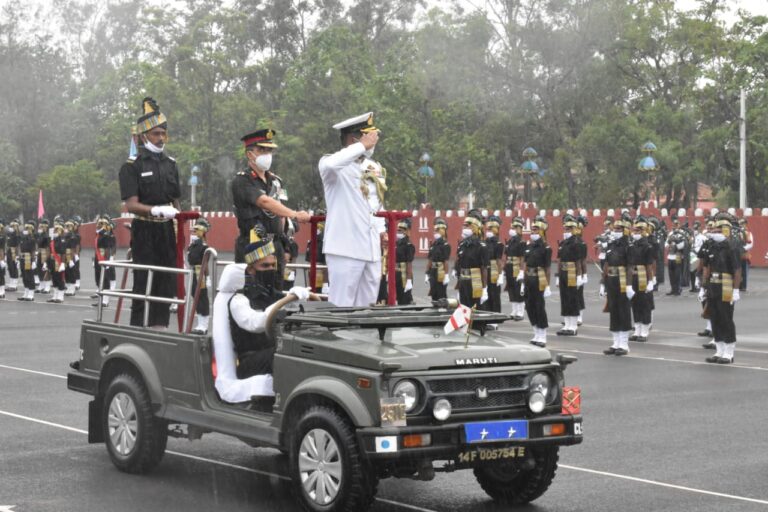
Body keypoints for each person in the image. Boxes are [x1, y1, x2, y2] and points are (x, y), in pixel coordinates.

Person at [218, 236, 311, 409]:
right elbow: (255, 323)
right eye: (264, 266)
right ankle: (292, 405)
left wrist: (298, 299)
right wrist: (285, 301)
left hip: (271, 353)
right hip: (249, 361)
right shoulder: (239, 299)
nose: (270, 270)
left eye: (272, 265)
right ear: (251, 269)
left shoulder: (272, 294)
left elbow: (290, 310)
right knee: (283, 352)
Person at [118, 97, 181, 328]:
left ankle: (160, 329)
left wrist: (182, 223)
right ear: (144, 135)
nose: (161, 138)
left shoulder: (170, 164)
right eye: (156, 134)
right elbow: (131, 205)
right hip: (145, 228)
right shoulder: (132, 166)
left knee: (165, 282)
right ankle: (138, 329)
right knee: (143, 282)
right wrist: (155, 209)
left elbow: (175, 200)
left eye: (164, 133)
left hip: (166, 230)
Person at [318, 112, 386, 307]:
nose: (373, 142)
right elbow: (332, 164)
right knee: (341, 307)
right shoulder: (331, 163)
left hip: (371, 248)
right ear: (352, 138)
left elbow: (376, 201)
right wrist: (361, 146)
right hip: (345, 248)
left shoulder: (372, 167)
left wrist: (382, 231)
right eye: (368, 136)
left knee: (367, 307)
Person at [231, 128, 310, 287]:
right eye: (261, 150)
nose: (267, 154)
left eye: (269, 150)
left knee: (277, 292)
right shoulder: (242, 181)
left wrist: (286, 243)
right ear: (249, 154)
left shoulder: (276, 181)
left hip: (276, 245)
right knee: (253, 292)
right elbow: (265, 202)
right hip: (253, 244)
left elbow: (280, 209)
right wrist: (294, 214)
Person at [703, 213, 742, 364]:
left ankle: (729, 352)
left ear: (727, 231)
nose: (715, 233)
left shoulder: (732, 247)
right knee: (715, 318)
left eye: (719, 231)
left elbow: (737, 271)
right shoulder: (712, 246)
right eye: (715, 231)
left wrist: (736, 290)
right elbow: (707, 268)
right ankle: (719, 350)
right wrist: (704, 287)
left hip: (726, 285)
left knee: (726, 319)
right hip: (713, 285)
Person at [601, 213, 634, 356]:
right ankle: (615, 342)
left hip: (622, 279)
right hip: (611, 279)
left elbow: (630, 267)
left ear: (626, 230)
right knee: (613, 309)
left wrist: (628, 285)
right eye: (615, 228)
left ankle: (624, 344)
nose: (616, 231)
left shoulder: (629, 246)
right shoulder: (611, 244)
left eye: (619, 229)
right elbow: (606, 264)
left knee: (623, 310)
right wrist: (603, 283)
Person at [522, 216, 552, 346]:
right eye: (532, 230)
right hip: (529, 278)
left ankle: (542, 335)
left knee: (539, 306)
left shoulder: (546, 248)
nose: (533, 232)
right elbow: (526, 264)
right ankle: (535, 332)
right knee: (529, 306)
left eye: (535, 230)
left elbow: (547, 268)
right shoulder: (529, 246)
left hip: (539, 278)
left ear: (542, 231)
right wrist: (523, 282)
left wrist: (547, 286)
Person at [627, 216, 655, 342]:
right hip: (633, 275)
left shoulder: (647, 247)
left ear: (644, 232)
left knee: (644, 303)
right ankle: (637, 328)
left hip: (643, 275)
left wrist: (650, 281)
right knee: (635, 303)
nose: (635, 233)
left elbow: (649, 265)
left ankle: (644, 330)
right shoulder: (632, 246)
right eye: (635, 231)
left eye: (638, 231)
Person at [454, 210, 488, 308]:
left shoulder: (481, 246)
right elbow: (459, 263)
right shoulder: (462, 244)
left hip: (475, 281)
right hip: (463, 280)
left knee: (475, 309)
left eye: (467, 226)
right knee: (463, 309)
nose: (464, 228)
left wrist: (484, 288)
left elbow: (484, 268)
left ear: (474, 228)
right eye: (464, 226)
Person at [556, 214, 582, 336]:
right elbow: (559, 260)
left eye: (568, 229)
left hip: (572, 271)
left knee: (572, 298)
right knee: (564, 298)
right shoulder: (562, 243)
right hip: (563, 272)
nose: (566, 231)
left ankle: (573, 325)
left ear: (573, 229)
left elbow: (578, 261)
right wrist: (557, 275)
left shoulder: (576, 243)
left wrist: (579, 276)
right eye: (565, 229)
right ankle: (566, 325)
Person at [188, 218, 211, 334]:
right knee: (195, 296)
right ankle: (200, 324)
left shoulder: (204, 246)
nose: (194, 231)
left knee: (202, 298)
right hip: (194, 272)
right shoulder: (195, 243)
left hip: (200, 273)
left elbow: (205, 263)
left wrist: (207, 278)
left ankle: (204, 326)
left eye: (197, 229)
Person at [503, 217, 526, 321]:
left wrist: (521, 271)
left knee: (518, 289)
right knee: (511, 288)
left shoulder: (521, 242)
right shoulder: (509, 241)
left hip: (517, 267)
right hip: (509, 266)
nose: (512, 229)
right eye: (512, 227)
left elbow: (522, 258)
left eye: (514, 227)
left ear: (519, 229)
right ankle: (514, 310)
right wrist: (504, 269)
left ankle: (520, 312)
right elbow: (506, 255)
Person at [91, 215, 117, 307]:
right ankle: (101, 300)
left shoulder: (105, 234)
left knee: (105, 279)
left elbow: (108, 248)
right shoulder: (98, 233)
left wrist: (109, 258)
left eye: (100, 223)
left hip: (103, 258)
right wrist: (94, 259)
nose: (97, 225)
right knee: (98, 279)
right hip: (98, 258)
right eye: (98, 223)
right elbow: (96, 248)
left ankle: (105, 301)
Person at [483, 215, 504, 315]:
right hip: (485, 269)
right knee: (486, 293)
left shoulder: (498, 244)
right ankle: (487, 316)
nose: (488, 231)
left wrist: (500, 275)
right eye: (487, 229)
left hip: (494, 269)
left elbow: (499, 261)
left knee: (494, 294)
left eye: (490, 229)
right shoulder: (484, 242)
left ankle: (495, 318)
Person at [426, 217, 451, 300]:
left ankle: (443, 311)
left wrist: (446, 275)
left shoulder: (445, 245)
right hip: (433, 271)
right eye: (434, 231)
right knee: (434, 293)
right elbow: (430, 259)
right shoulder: (433, 244)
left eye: (436, 231)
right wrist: (427, 273)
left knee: (441, 294)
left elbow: (446, 261)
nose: (434, 233)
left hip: (441, 271)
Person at [47, 217, 69, 304]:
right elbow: (50, 250)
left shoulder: (63, 240)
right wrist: (47, 263)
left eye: (58, 229)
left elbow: (63, 253)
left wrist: (63, 263)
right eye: (55, 229)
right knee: (54, 278)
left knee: (60, 278)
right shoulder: (53, 240)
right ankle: (55, 296)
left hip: (59, 260)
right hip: (52, 260)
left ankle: (60, 296)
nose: (56, 231)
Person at [305, 213, 328, 293]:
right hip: (312, 272)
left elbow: (326, 263)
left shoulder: (324, 242)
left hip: (321, 274)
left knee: (320, 296)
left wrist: (325, 283)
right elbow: (308, 259)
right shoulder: (311, 241)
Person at [394, 218, 415, 305]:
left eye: (400, 230)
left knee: (404, 299)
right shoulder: (396, 243)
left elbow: (409, 263)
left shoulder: (408, 245)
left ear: (406, 231)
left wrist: (409, 280)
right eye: (397, 230)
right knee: (398, 297)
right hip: (396, 273)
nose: (398, 232)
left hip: (404, 275)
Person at [17, 220, 38, 301]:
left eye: (29, 228)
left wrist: (33, 261)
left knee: (29, 275)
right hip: (22, 258)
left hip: (29, 258)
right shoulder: (23, 237)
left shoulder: (32, 238)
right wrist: (18, 258)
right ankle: (26, 292)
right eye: (26, 228)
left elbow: (33, 250)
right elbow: (19, 247)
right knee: (24, 276)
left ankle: (31, 293)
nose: (27, 229)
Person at [574, 215, 589, 325]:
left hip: (578, 273)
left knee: (579, 294)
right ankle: (571, 316)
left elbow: (583, 261)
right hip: (568, 271)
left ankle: (579, 316)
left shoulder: (581, 243)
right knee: (570, 295)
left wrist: (584, 275)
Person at [666, 217, 685, 296]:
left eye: (676, 225)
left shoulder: (682, 234)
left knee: (677, 274)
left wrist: (677, 241)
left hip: (678, 255)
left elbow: (682, 246)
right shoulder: (670, 234)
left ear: (679, 225)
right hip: (670, 256)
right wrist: (669, 243)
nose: (675, 226)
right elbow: (666, 245)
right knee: (671, 274)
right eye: (674, 225)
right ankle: (672, 289)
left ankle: (678, 289)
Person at [282, 219, 299, 290]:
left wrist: (292, 273)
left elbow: (294, 259)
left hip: (288, 271)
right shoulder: (282, 240)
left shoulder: (292, 243)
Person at [35, 218, 51, 294]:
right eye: (41, 226)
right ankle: (41, 285)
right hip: (40, 252)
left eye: (43, 226)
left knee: (45, 269)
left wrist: (47, 259)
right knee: (39, 269)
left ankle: (47, 287)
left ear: (46, 227)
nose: (41, 227)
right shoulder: (40, 235)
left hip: (45, 252)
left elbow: (48, 248)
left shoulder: (47, 236)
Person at [5, 219, 20, 291]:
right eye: (12, 225)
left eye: (14, 225)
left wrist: (17, 256)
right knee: (10, 267)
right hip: (9, 250)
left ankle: (14, 285)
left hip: (14, 251)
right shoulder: (10, 234)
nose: (12, 227)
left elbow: (17, 246)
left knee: (14, 267)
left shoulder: (17, 235)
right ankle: (11, 283)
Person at [738, 217, 753, 291]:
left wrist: (743, 249)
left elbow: (750, 244)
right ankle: (738, 285)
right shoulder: (736, 233)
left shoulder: (749, 233)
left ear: (746, 224)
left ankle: (744, 286)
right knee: (737, 271)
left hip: (744, 255)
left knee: (744, 272)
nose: (741, 225)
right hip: (737, 255)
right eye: (740, 223)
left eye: (742, 223)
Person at [0, 218, 6, 298]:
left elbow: (1, 249)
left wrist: (1, 259)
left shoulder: (2, 237)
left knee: (0, 275)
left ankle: (2, 291)